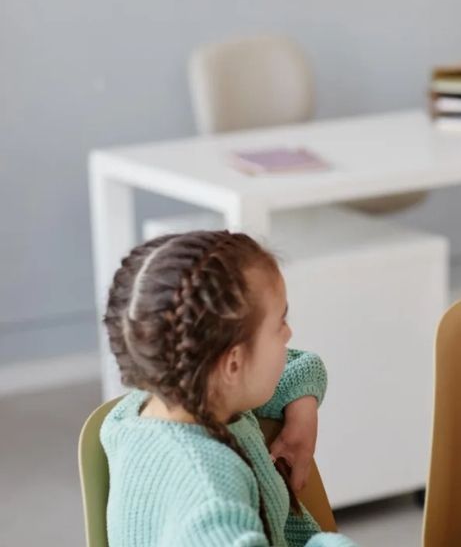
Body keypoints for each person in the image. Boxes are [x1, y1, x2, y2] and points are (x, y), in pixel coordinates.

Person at [100, 230, 357, 547]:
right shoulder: (209, 495)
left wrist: (302, 407)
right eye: (280, 322)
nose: (289, 333)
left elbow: (296, 366)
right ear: (233, 363)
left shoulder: (163, 399)